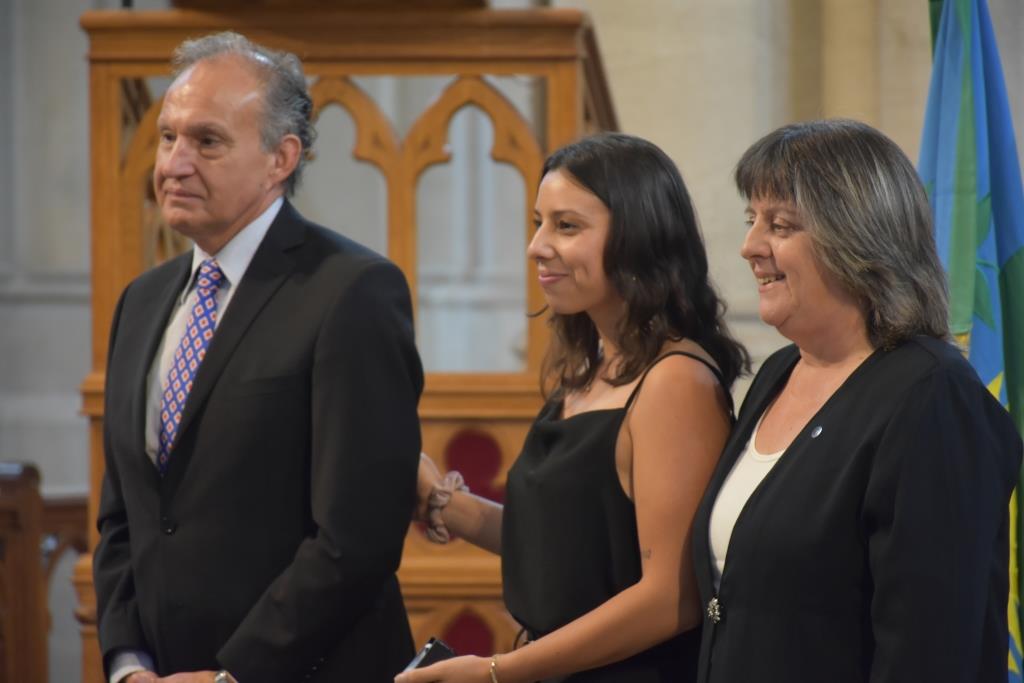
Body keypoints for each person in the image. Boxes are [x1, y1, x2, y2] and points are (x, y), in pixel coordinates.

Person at [93, 32, 423, 683]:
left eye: (207, 141)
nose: (174, 163)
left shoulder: (350, 292)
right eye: (167, 137)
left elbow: (356, 539)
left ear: (280, 158)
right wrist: (129, 664)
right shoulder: (142, 300)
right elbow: (123, 517)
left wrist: (232, 675)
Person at [396, 132, 749, 683]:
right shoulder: (591, 370)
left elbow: (672, 597)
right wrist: (441, 501)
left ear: (639, 238)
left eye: (566, 226)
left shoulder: (674, 381)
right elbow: (569, 543)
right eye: (539, 222)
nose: (537, 245)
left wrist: (498, 671)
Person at [690, 119, 1023, 682]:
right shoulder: (777, 373)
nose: (750, 247)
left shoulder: (932, 396)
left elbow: (934, 647)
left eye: (781, 225)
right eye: (753, 221)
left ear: (858, 238)